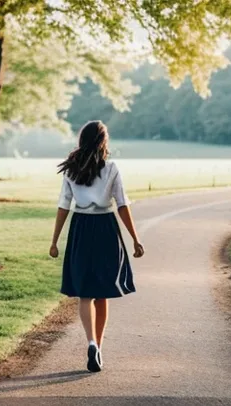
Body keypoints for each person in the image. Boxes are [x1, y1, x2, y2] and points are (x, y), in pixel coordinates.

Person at [49, 120, 144, 373]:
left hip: (80, 227)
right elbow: (122, 204)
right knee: (102, 292)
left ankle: (90, 341)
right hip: (105, 228)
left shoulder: (71, 170)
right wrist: (135, 238)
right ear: (103, 141)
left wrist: (55, 240)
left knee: (85, 293)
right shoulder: (111, 168)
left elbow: (63, 206)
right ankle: (98, 347)